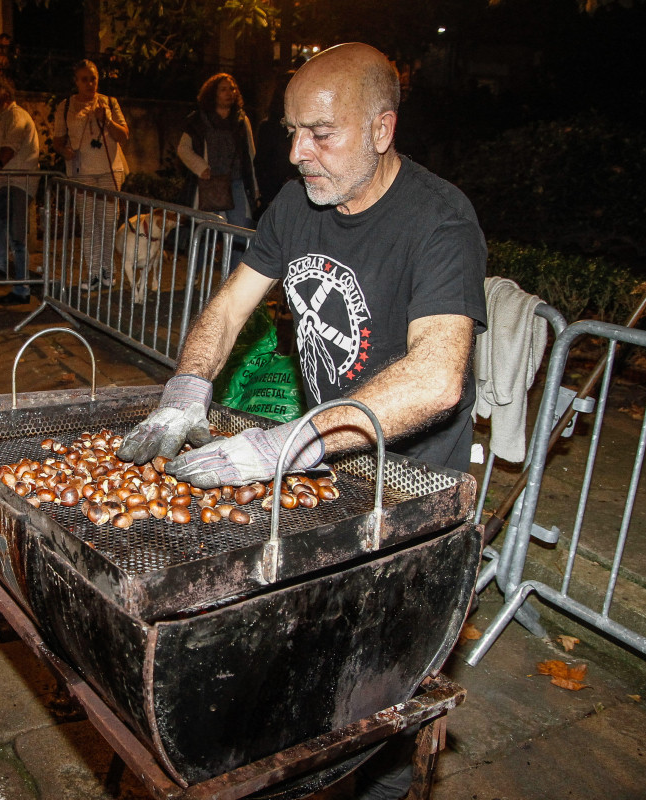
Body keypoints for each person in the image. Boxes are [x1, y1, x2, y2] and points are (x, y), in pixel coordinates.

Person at [117, 45, 487, 797]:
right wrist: (186, 388)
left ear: (382, 128)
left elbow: (437, 376)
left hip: (406, 483)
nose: (295, 154)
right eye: (290, 131)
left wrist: (286, 442)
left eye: (320, 134)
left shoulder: (439, 219)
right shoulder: (295, 206)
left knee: (377, 698)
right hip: (318, 465)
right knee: (299, 665)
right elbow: (227, 308)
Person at [51, 59, 130, 292]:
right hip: (81, 171)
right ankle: (93, 272)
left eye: (93, 78)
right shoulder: (65, 106)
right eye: (84, 79)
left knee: (107, 222)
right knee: (88, 224)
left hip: (109, 169)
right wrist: (64, 151)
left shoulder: (109, 103)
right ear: (76, 81)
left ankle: (108, 271)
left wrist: (106, 119)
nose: (90, 83)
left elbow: (123, 135)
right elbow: (57, 138)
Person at [0, 79, 40, 307]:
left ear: (4, 98)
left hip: (17, 183)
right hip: (10, 184)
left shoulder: (16, 116)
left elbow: (12, 145)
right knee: (13, 234)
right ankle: (19, 287)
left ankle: (1, 268)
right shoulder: (3, 120)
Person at [177, 72, 258, 230]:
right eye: (223, 89)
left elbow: (250, 153)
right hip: (210, 183)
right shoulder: (199, 120)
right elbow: (183, 148)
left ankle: (236, 256)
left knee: (240, 229)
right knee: (206, 230)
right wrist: (201, 167)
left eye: (232, 89)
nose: (229, 93)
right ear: (213, 93)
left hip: (236, 181)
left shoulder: (241, 120)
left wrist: (254, 186)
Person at [253, 70, 297, 218]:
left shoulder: (308, 126)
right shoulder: (269, 127)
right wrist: (269, 196)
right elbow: (261, 164)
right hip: (276, 193)